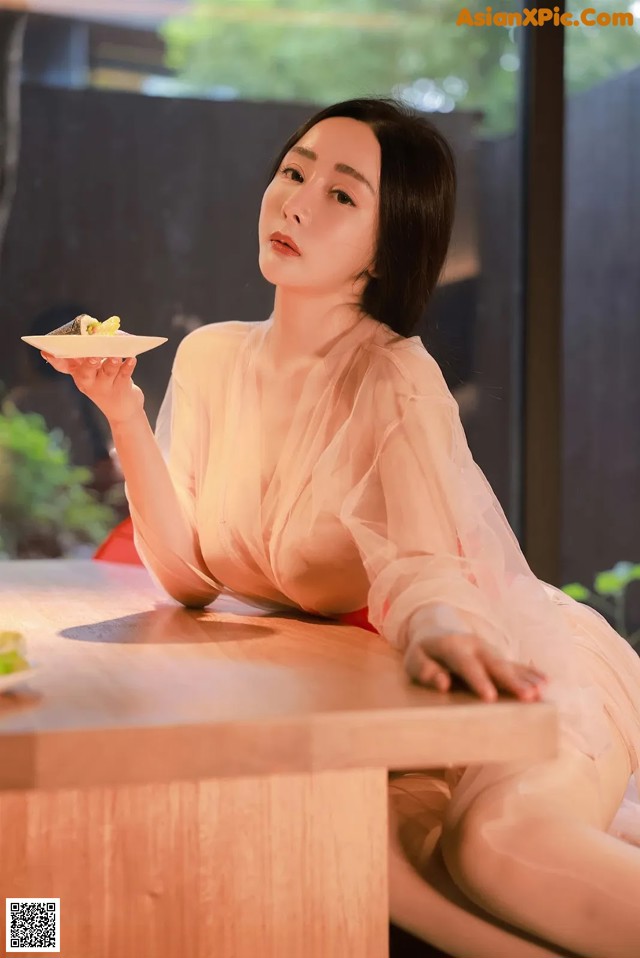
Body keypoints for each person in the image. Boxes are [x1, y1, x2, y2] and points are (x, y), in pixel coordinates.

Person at [41, 97, 640, 958]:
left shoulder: (395, 375)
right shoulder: (210, 355)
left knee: (497, 847)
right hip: (384, 694)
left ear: (386, 246)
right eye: (294, 172)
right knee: (369, 859)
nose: (296, 202)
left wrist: (439, 631)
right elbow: (188, 578)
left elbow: (425, 569)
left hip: (508, 662)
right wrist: (124, 414)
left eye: (342, 195)